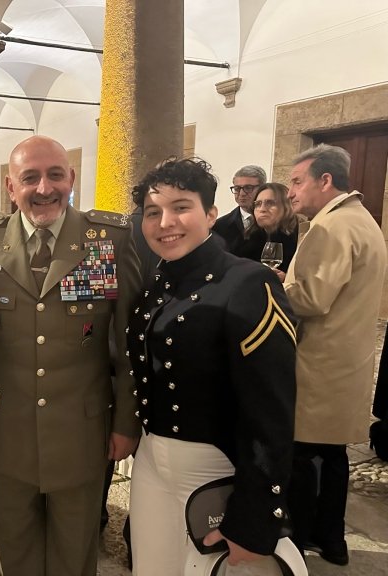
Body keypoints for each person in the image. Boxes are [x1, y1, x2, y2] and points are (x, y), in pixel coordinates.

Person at [0, 135, 142, 576]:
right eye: (30, 178)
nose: (44, 188)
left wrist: (125, 423)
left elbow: (128, 345)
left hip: (82, 432)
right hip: (8, 429)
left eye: (55, 175)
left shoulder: (110, 239)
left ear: (71, 179)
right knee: (16, 547)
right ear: (11, 187)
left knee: (75, 551)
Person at [126, 157, 297, 575]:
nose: (166, 221)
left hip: (216, 467)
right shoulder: (156, 285)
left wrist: (256, 516)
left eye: (181, 206)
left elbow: (271, 411)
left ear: (210, 214)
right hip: (151, 460)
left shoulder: (249, 284)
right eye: (153, 212)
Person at [284, 144, 387, 565]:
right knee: (332, 453)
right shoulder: (361, 219)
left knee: (304, 455)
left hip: (319, 364)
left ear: (325, 181)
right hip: (346, 359)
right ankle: (332, 540)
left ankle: (303, 538)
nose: (291, 192)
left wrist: (272, 285)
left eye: (296, 181)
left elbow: (311, 298)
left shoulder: (332, 227)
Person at [244, 182, 301, 276]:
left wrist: (287, 278)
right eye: (258, 204)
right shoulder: (248, 238)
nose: (262, 209)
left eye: (270, 203)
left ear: (287, 206)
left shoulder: (300, 239)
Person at [212, 165, 267, 256]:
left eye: (248, 188)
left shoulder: (276, 222)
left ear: (263, 188)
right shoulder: (219, 226)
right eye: (237, 188)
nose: (241, 194)